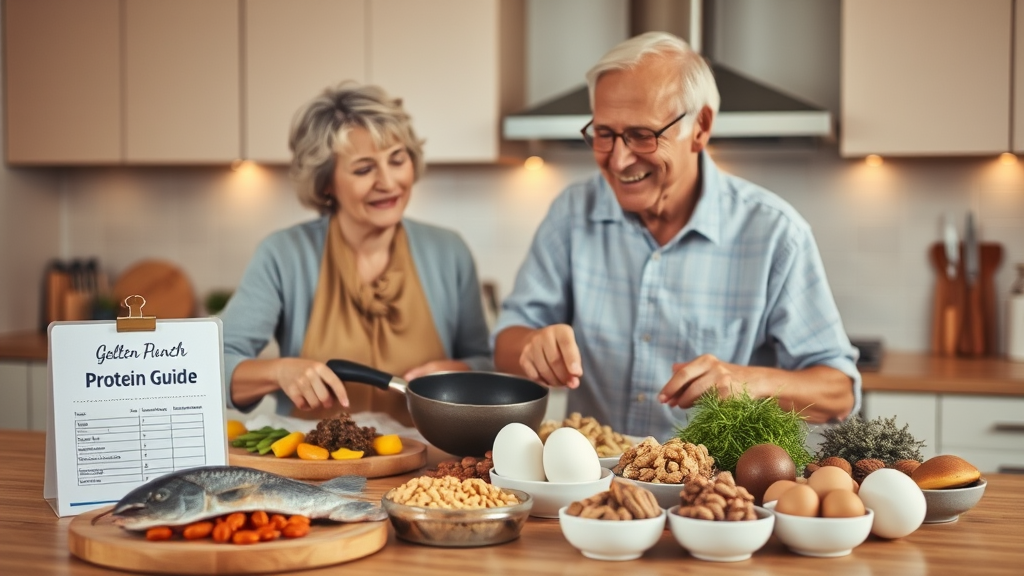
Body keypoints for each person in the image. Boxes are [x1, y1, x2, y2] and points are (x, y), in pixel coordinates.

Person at [492, 32, 860, 441]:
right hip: (594, 493)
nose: (618, 159)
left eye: (642, 134)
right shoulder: (571, 213)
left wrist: (746, 382)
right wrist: (532, 344)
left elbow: (840, 390)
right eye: (604, 133)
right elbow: (508, 337)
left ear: (700, 127)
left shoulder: (775, 233)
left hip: (720, 492)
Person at [221, 81, 492, 426]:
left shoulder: (449, 251)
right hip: (313, 466)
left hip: (426, 468)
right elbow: (214, 368)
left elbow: (484, 362)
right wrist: (279, 372)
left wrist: (459, 371)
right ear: (326, 183)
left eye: (397, 160)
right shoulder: (283, 255)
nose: (388, 182)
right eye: (364, 169)